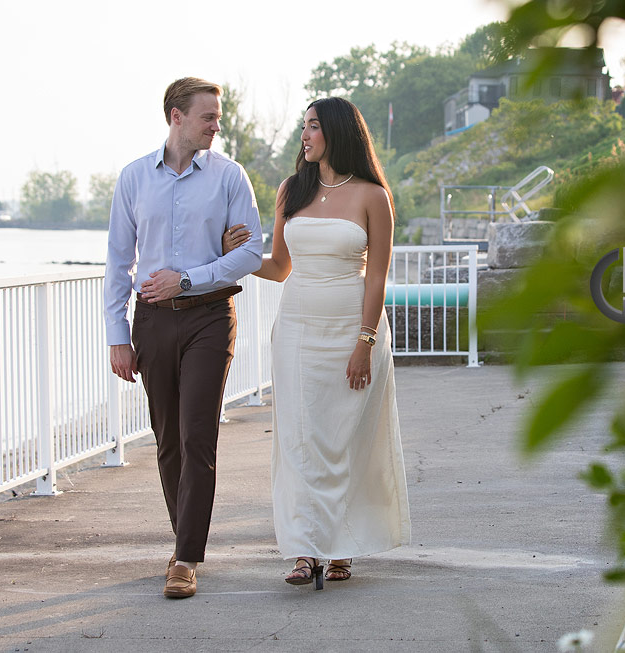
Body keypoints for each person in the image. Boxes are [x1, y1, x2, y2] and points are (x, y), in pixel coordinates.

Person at [223, 96, 410, 587]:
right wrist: (238, 256)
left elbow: (377, 279)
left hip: (353, 330)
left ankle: (342, 544)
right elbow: (280, 267)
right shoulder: (292, 190)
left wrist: (365, 343)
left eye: (312, 127)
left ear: (337, 132)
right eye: (302, 128)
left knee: (345, 439)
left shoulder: (374, 196)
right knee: (302, 440)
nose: (303, 136)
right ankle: (306, 550)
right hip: (297, 332)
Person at [104, 77, 263, 599]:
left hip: (209, 317)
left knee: (198, 434)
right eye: (208, 117)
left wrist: (190, 277)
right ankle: (183, 538)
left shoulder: (229, 176)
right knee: (168, 440)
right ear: (176, 116)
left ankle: (185, 556)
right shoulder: (133, 179)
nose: (217, 126)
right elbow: (118, 263)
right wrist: (117, 334)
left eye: (217, 117)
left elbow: (249, 252)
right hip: (152, 321)